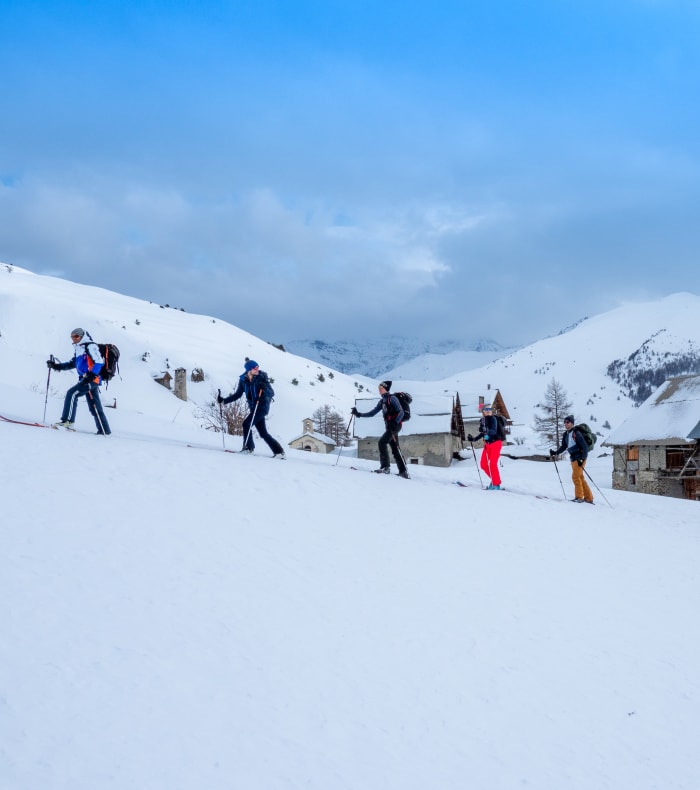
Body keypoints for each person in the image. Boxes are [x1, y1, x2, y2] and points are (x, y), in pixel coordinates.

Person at [47, 328, 111, 435]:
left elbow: (99, 362)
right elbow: (71, 364)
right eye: (72, 337)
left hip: (91, 379)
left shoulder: (90, 346)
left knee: (72, 393)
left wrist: (91, 376)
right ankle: (104, 430)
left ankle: (67, 422)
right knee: (94, 406)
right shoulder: (79, 349)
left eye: (76, 336)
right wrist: (56, 366)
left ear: (82, 337)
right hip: (86, 379)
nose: (74, 339)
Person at [218, 359, 285, 458]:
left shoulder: (262, 378)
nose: (257, 369)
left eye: (258, 367)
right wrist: (224, 401)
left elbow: (271, 393)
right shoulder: (243, 380)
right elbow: (238, 395)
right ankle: (279, 452)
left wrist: (264, 388)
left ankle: (249, 448)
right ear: (249, 370)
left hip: (262, 407)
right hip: (253, 408)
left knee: (246, 424)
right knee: (263, 433)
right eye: (255, 368)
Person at [351, 380, 410, 479]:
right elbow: (372, 413)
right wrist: (358, 414)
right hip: (390, 426)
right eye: (379, 388)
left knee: (382, 442)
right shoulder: (382, 401)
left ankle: (385, 467)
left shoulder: (393, 398)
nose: (379, 390)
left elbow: (401, 412)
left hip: (395, 426)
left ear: (386, 389)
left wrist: (395, 423)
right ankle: (403, 472)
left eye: (381, 388)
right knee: (395, 449)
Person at [550, 415, 594, 504]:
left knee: (575, 477)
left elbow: (584, 447)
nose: (565, 424)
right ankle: (589, 498)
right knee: (580, 478)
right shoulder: (566, 434)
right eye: (565, 422)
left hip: (579, 458)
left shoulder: (576, 433)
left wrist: (582, 459)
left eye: (567, 422)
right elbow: (564, 446)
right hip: (573, 458)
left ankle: (579, 497)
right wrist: (556, 453)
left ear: (572, 423)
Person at [467, 404, 503, 489]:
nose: (488, 410)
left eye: (489, 409)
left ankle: (496, 485)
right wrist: (474, 439)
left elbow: (493, 431)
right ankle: (494, 480)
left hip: (496, 443)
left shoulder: (493, 419)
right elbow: (483, 433)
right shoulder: (482, 420)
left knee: (493, 464)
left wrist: (486, 430)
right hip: (487, 445)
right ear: (483, 411)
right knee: (483, 464)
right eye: (486, 409)